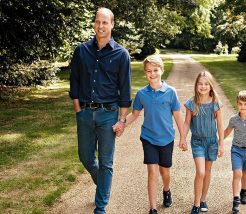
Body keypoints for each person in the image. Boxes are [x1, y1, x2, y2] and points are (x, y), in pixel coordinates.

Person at [69, 7, 132, 214]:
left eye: (105, 22)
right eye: (97, 22)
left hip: (108, 114)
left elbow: (125, 90)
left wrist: (122, 120)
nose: (100, 26)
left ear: (112, 25)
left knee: (106, 162)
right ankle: (103, 187)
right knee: (86, 157)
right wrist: (78, 110)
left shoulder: (121, 54)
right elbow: (75, 82)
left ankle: (101, 206)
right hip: (85, 113)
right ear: (94, 23)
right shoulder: (81, 51)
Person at [116, 55, 186, 214]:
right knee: (152, 171)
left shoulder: (171, 92)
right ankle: (152, 207)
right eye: (149, 71)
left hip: (167, 138)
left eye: (155, 70)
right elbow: (134, 114)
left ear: (162, 70)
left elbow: (177, 115)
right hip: (148, 138)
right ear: (145, 73)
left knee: (165, 171)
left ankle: (167, 190)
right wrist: (122, 124)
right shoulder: (142, 94)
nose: (152, 74)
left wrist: (182, 137)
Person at [183, 71, 224, 214]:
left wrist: (221, 144)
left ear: (211, 86)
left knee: (207, 172)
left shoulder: (215, 103)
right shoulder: (191, 103)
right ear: (196, 85)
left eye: (206, 84)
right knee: (200, 172)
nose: (203, 86)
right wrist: (183, 138)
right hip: (197, 142)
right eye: (200, 83)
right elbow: (186, 123)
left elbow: (220, 125)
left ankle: (203, 200)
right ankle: (195, 203)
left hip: (212, 141)